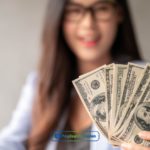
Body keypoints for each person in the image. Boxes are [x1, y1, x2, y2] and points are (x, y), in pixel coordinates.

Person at [0, 0, 149, 150]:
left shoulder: (145, 83)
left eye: (101, 9)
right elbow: (9, 143)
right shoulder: (40, 84)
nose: (88, 24)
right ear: (59, 17)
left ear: (119, 13)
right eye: (74, 11)